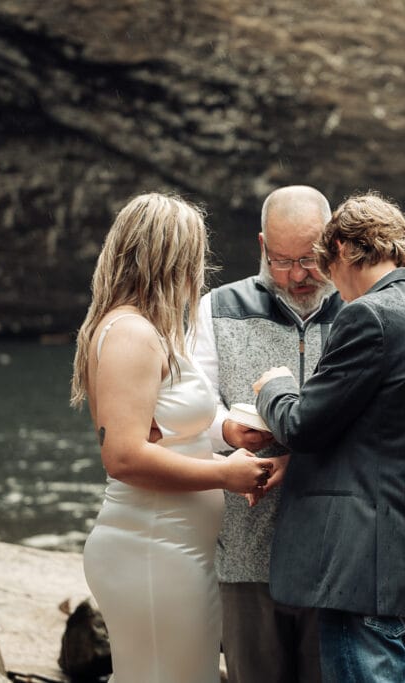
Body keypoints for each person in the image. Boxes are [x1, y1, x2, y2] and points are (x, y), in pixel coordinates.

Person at [252, 192, 405, 682]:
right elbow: (384, 440)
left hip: (359, 567)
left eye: (327, 267)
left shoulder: (369, 316)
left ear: (345, 249)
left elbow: (303, 424)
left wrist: (275, 387)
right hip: (404, 560)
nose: (335, 290)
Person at [70, 192, 274, 683]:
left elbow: (163, 427)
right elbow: (123, 456)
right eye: (195, 257)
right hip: (150, 549)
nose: (199, 271)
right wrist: (224, 474)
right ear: (171, 258)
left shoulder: (151, 331)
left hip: (171, 550)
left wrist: (225, 431)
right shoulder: (131, 335)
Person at [191, 185, 342, 682]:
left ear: (335, 245)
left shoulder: (361, 312)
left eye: (310, 258)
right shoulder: (217, 308)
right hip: (244, 551)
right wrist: (229, 430)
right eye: (281, 260)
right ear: (261, 245)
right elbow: (192, 409)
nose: (298, 275)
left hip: (336, 556)